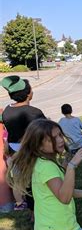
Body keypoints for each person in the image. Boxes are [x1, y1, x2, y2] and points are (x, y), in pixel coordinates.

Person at [1, 76, 46, 211]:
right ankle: (36, 210)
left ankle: (28, 209)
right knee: (35, 181)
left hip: (14, 151)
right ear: (28, 94)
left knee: (23, 182)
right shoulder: (34, 112)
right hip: (30, 151)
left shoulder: (7, 110)